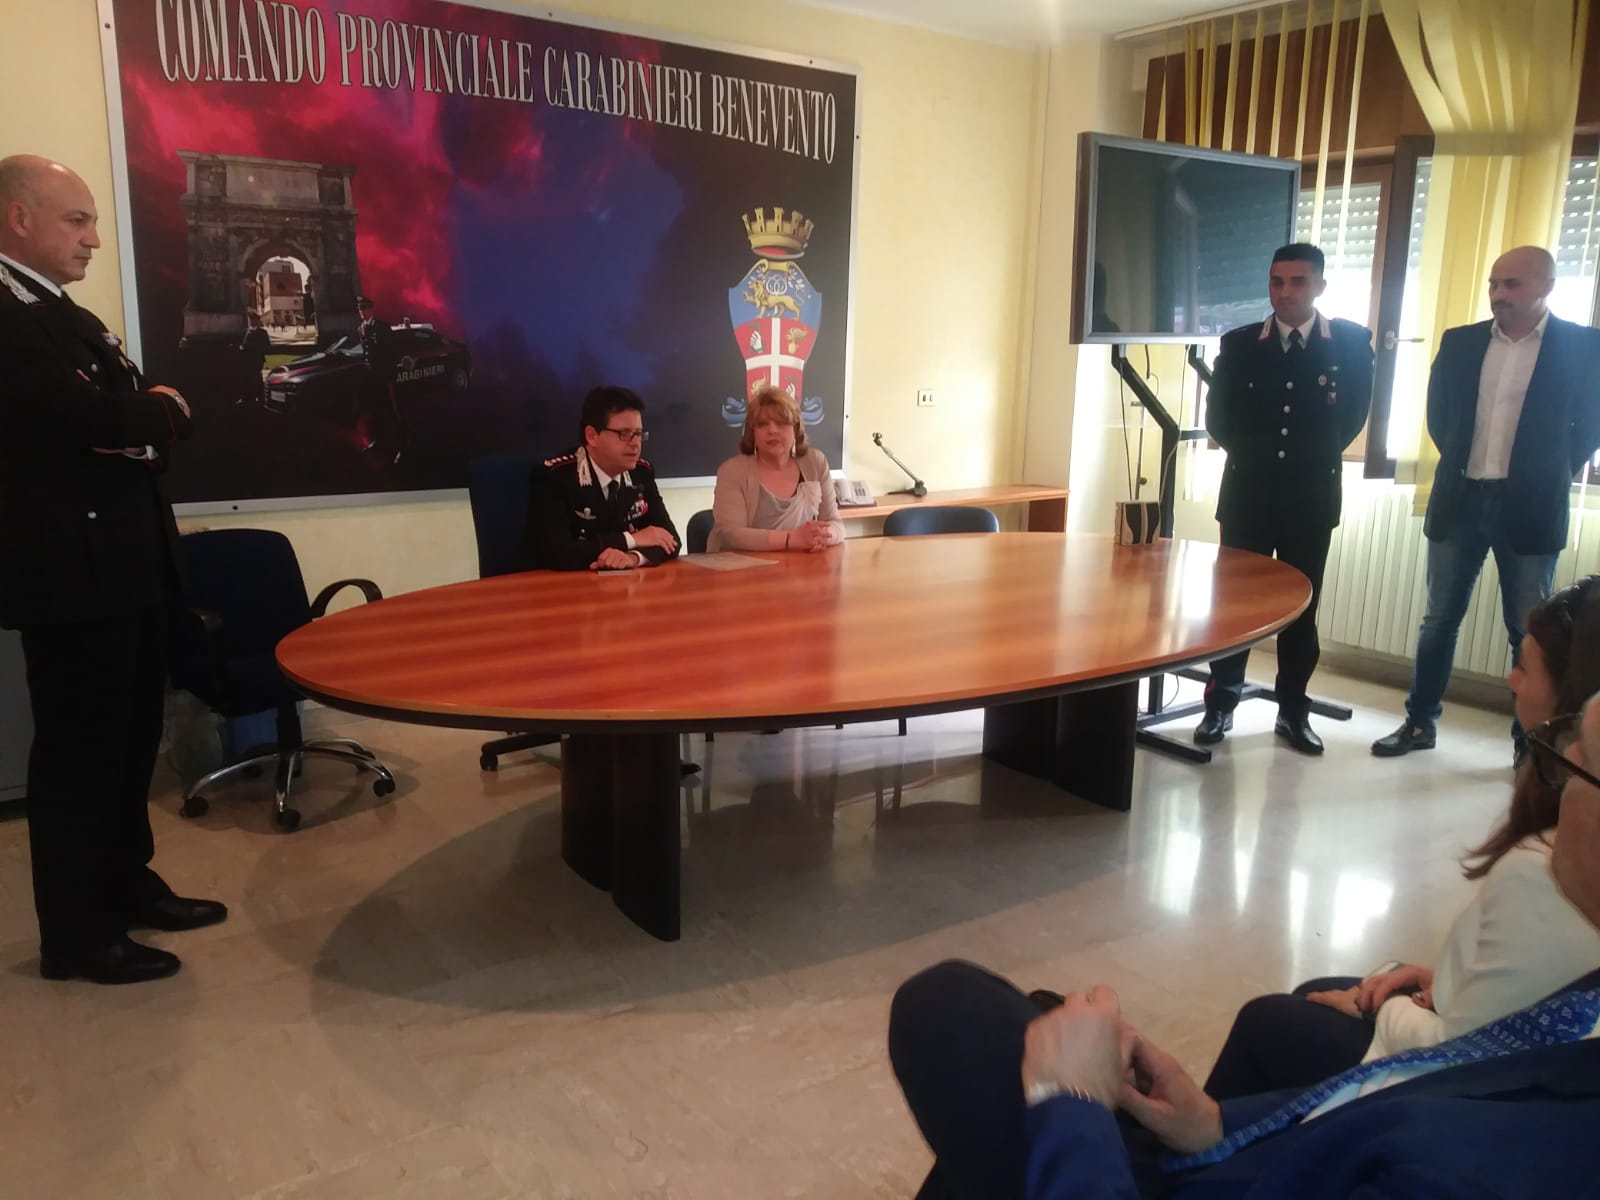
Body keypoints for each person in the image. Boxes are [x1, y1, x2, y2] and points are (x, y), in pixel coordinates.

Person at [888, 685, 1600, 1197]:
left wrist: (1069, 1101)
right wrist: (1217, 1124)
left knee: (948, 1010)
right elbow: (1409, 1091)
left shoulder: (1515, 1169)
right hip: (1248, 1153)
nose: (1562, 764)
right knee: (1033, 1019)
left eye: (1585, 760)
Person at [1203, 575, 1600, 1100]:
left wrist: (1385, 1008)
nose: (1510, 678)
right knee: (1314, 994)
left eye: (1523, 667)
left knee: (1267, 1021)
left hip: (1442, 1090)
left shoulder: (1547, 872)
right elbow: (1528, 985)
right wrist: (1441, 978)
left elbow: (1460, 1054)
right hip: (1482, 1043)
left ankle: (1200, 1143)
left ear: (1570, 703)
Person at [0, 154, 227, 985]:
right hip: (72, 577)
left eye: (94, 221)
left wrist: (136, 421)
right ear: (19, 217)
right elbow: (90, 416)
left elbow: (135, 412)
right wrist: (140, 418)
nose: (94, 238)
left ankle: (128, 884)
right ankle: (78, 934)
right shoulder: (8, 314)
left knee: (131, 744)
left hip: (125, 564)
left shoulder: (66, 315)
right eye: (77, 220)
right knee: (80, 755)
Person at [1374, 246, 1600, 762]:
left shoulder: (1584, 348)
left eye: (1512, 284)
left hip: (1531, 507)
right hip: (1461, 500)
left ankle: (1531, 744)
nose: (1499, 294)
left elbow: (1589, 426)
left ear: (1546, 286)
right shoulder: (1462, 342)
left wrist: (1549, 471)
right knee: (1438, 620)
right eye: (1494, 283)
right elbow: (1440, 416)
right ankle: (1419, 722)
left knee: (1529, 631)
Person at [1195, 243, 1374, 756]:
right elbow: (1219, 419)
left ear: (1319, 286)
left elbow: (1351, 418)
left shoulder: (1349, 344)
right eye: (1277, 281)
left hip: (1310, 500)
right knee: (1234, 608)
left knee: (1301, 612)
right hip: (1247, 497)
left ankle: (1293, 710)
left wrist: (1299, 461)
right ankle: (1221, 703)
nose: (1285, 292)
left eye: (1298, 281)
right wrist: (1261, 460)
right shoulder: (1240, 344)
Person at [524, 384, 681, 571]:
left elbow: (671, 540)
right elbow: (557, 554)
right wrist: (632, 539)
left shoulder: (641, 473)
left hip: (623, 584)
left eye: (638, 434)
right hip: (563, 584)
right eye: (624, 434)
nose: (635, 444)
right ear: (592, 436)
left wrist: (632, 558)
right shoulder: (555, 477)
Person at [708, 383, 844, 553]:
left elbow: (835, 523)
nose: (772, 430)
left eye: (781, 423)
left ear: (795, 428)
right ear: (753, 432)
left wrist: (823, 535)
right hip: (744, 565)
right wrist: (791, 539)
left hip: (802, 564)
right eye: (762, 424)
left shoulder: (816, 462)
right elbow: (731, 534)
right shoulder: (732, 471)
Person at [355, 294, 405, 464]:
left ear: (371, 309)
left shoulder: (382, 327)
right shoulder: (361, 328)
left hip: (384, 376)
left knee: (391, 412)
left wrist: (389, 374)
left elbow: (393, 351)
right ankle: (377, 441)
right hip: (371, 378)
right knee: (374, 411)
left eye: (364, 308)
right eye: (360, 309)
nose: (362, 312)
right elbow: (366, 353)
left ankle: (401, 447)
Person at [236, 307, 269, 404]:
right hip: (247, 360)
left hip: (256, 360)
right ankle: (248, 397)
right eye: (250, 319)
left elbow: (266, 346)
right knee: (248, 378)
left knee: (256, 379)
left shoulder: (261, 332)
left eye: (253, 319)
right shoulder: (246, 331)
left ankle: (259, 397)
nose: (251, 321)